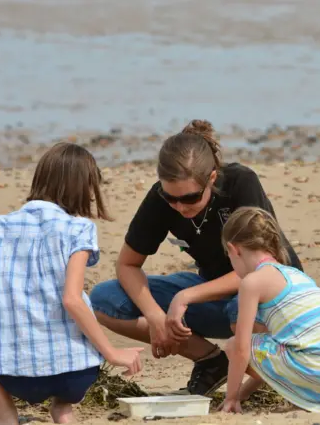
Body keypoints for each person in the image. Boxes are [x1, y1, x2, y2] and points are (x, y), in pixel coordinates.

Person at [89, 119, 303, 396]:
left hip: (273, 297)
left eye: (190, 198)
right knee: (105, 300)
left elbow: (261, 270)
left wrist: (186, 297)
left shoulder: (240, 183)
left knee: (241, 309)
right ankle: (212, 361)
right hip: (214, 298)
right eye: (170, 198)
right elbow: (127, 264)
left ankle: (286, 376)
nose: (179, 206)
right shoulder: (160, 200)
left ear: (211, 179)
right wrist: (155, 317)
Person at [0, 143, 144, 425]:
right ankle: (63, 411)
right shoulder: (79, 228)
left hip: (18, 378)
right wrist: (112, 353)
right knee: (69, 330)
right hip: (77, 376)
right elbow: (72, 299)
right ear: (83, 187)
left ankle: (6, 415)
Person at [219, 207, 320, 414]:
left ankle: (313, 392)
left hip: (317, 365)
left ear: (234, 249)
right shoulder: (294, 274)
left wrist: (231, 398)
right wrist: (243, 393)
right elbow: (269, 358)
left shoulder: (253, 282)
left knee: (232, 344)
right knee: (267, 343)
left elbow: (241, 350)